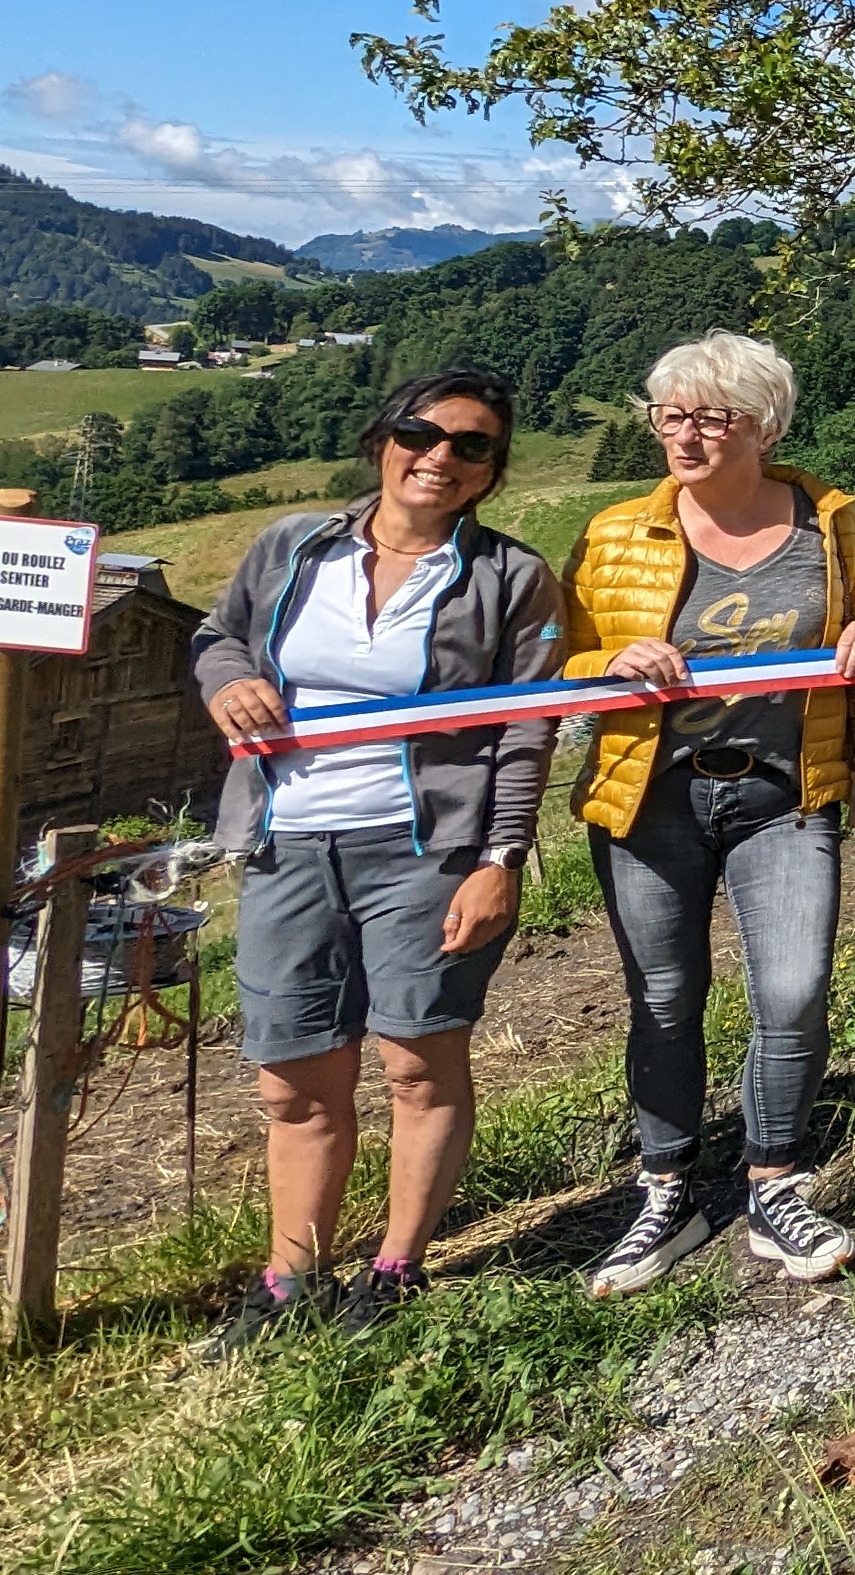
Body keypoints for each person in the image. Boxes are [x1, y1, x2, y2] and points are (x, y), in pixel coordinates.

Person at [191, 369, 560, 1350]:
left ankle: (394, 1267)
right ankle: (291, 1280)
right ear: (382, 438)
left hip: (427, 848)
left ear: (492, 470)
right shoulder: (293, 545)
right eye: (421, 433)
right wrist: (226, 684)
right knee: (293, 1075)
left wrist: (502, 857)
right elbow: (217, 637)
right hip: (288, 840)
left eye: (470, 445)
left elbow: (527, 727)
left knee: (418, 1060)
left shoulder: (509, 579)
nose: (439, 457)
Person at [559, 333, 855, 1293]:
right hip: (650, 795)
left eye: (711, 417)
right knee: (665, 999)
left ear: (763, 425)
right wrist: (609, 666)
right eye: (671, 415)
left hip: (785, 791)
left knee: (792, 991)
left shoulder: (831, 521)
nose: (686, 434)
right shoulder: (615, 534)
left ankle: (775, 1186)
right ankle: (665, 1192)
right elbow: (560, 663)